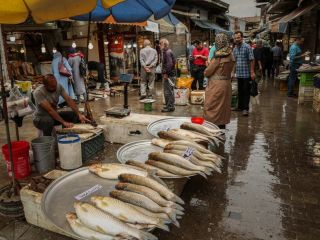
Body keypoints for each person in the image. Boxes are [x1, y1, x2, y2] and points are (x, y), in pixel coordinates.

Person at [204, 33, 235, 129]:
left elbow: (207, 72)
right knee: (223, 108)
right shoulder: (231, 54)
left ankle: (212, 130)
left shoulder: (218, 56)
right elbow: (232, 70)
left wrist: (208, 66)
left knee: (212, 107)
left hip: (216, 85)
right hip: (226, 84)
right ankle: (222, 129)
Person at [233, 31, 255, 116]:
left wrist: (252, 72)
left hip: (246, 74)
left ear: (242, 38)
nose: (236, 39)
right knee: (240, 91)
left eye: (238, 37)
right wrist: (232, 72)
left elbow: (252, 60)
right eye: (235, 38)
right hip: (239, 74)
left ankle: (245, 109)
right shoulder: (235, 49)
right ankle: (240, 106)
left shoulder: (247, 47)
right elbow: (234, 62)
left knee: (246, 91)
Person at [160, 38, 176, 112]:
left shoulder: (167, 52)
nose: (160, 45)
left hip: (169, 75)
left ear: (164, 44)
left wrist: (166, 73)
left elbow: (169, 64)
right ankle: (169, 106)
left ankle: (169, 107)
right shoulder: (166, 52)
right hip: (170, 74)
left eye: (161, 44)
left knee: (168, 91)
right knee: (169, 91)